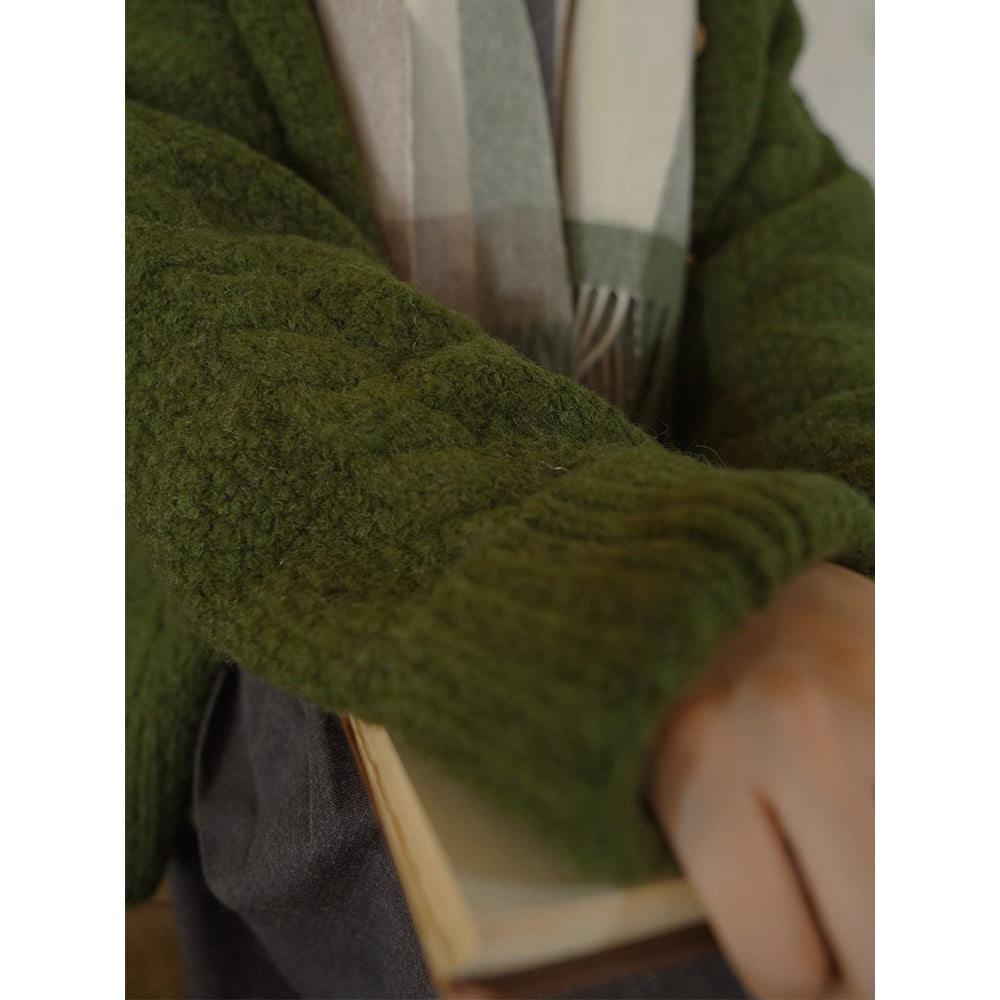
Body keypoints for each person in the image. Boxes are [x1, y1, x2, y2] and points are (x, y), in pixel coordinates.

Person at [125, 0, 875, 996]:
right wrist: (664, 593)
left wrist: (835, 549)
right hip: (288, 563)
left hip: (679, 517)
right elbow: (169, 277)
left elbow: (798, 253)